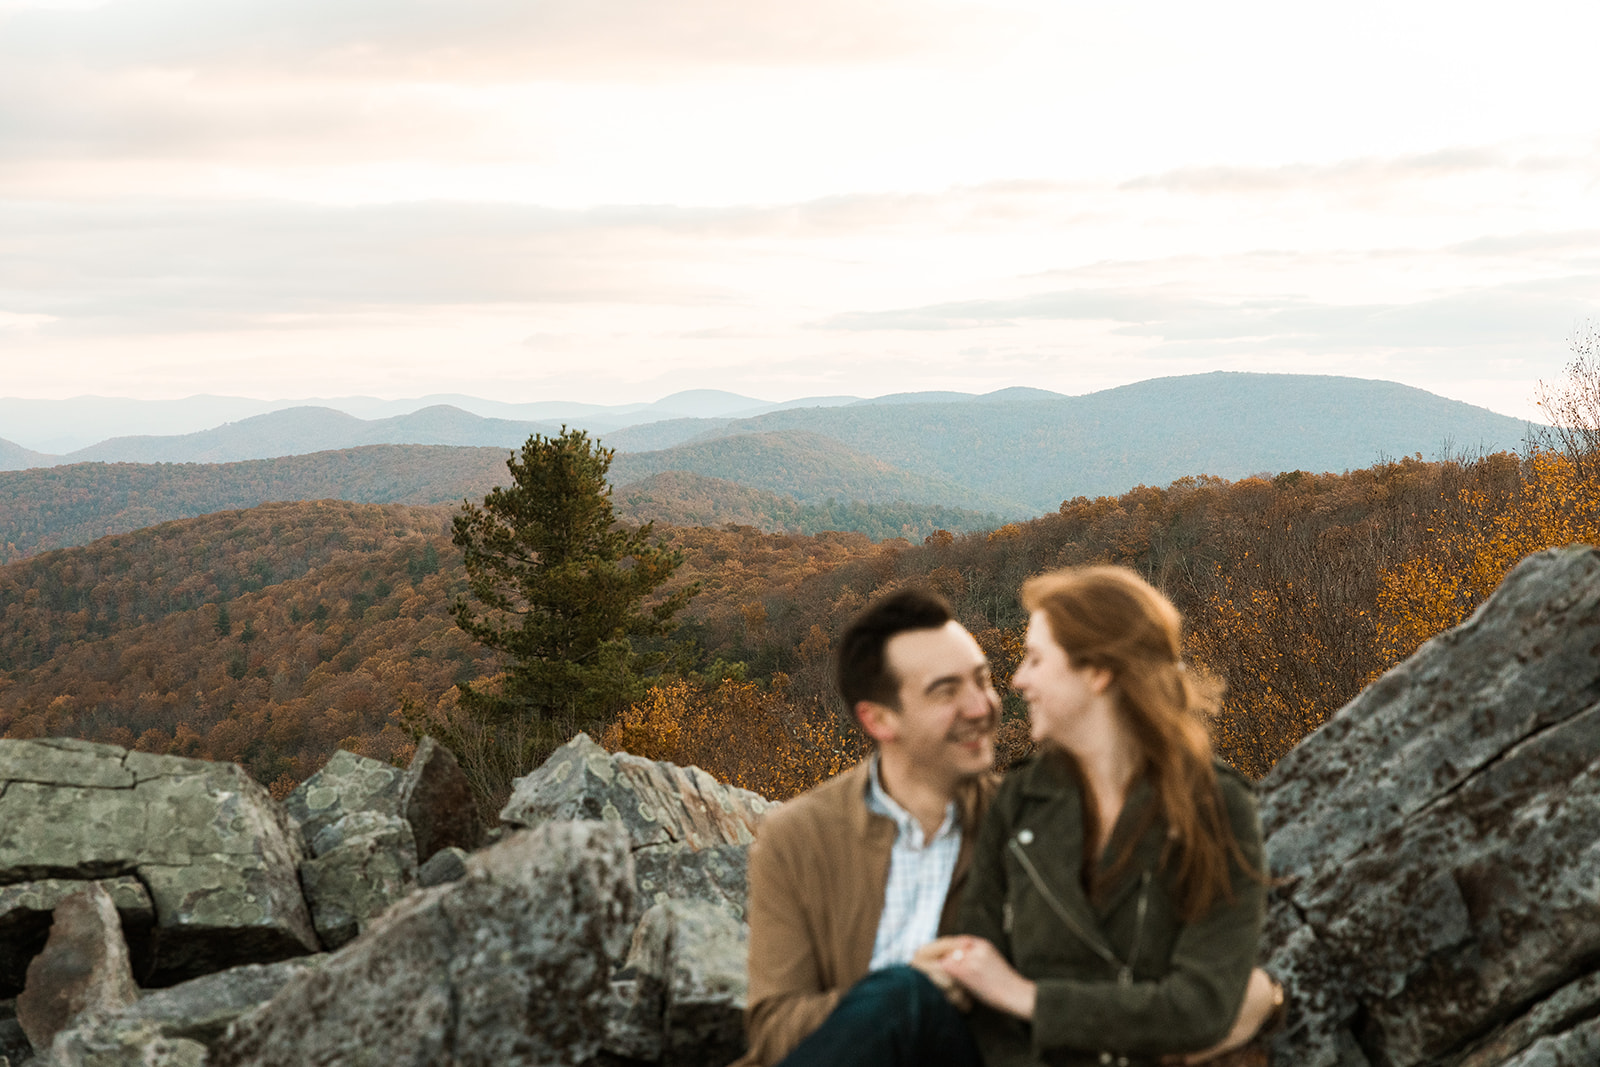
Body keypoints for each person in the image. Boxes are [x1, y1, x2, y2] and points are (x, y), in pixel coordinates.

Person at [735, 582, 1283, 1067]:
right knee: (905, 994)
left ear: (1098, 672)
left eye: (984, 679)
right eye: (947, 692)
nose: (989, 704)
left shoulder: (1021, 813)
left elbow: (1193, 985)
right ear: (878, 719)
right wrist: (907, 990)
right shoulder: (797, 839)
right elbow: (774, 1033)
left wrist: (1254, 996)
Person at [936, 566, 1274, 1067]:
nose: (1018, 679)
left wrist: (1030, 999)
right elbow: (979, 979)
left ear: (1097, 673)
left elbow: (1202, 1007)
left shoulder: (1216, 807)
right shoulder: (1021, 799)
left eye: (1035, 658)